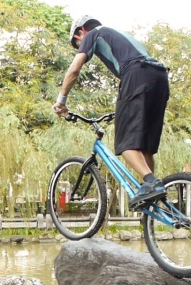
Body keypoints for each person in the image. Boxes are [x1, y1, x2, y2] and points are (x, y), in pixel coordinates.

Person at [53, 15, 170, 209]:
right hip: (160, 77)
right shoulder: (120, 35)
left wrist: (61, 101)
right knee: (145, 147)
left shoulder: (93, 34)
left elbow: (74, 69)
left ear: (81, 32)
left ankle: (151, 182)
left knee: (125, 144)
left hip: (137, 75)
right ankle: (151, 195)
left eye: (77, 43)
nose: (80, 47)